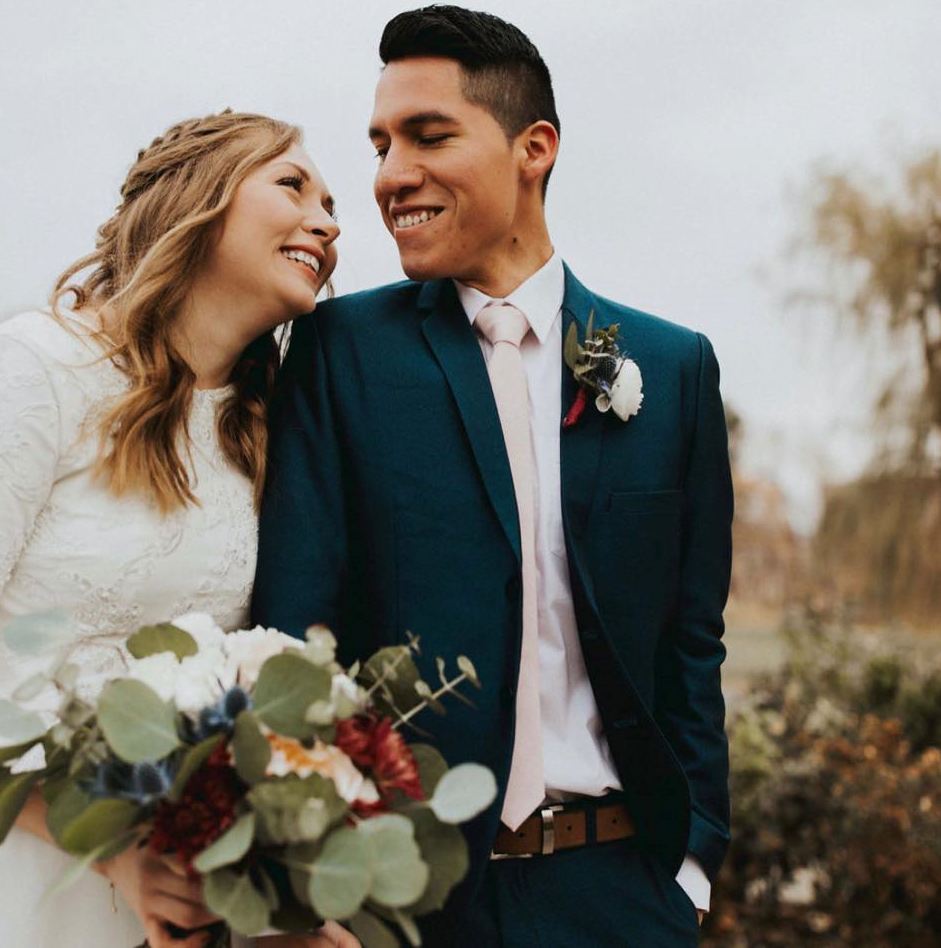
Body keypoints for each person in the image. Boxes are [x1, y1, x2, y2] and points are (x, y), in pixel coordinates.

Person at [253, 5, 732, 947]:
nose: (391, 176)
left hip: (624, 895)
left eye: (428, 137)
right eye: (382, 143)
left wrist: (690, 873)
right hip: (401, 900)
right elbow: (292, 633)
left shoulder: (671, 370)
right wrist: (307, 885)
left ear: (534, 148)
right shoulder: (336, 353)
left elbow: (690, 642)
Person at [0, 111, 357, 948]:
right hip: (33, 865)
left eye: (333, 204)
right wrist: (110, 845)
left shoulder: (264, 432)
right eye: (293, 185)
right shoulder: (40, 366)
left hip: (184, 898)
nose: (330, 220)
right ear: (199, 198)